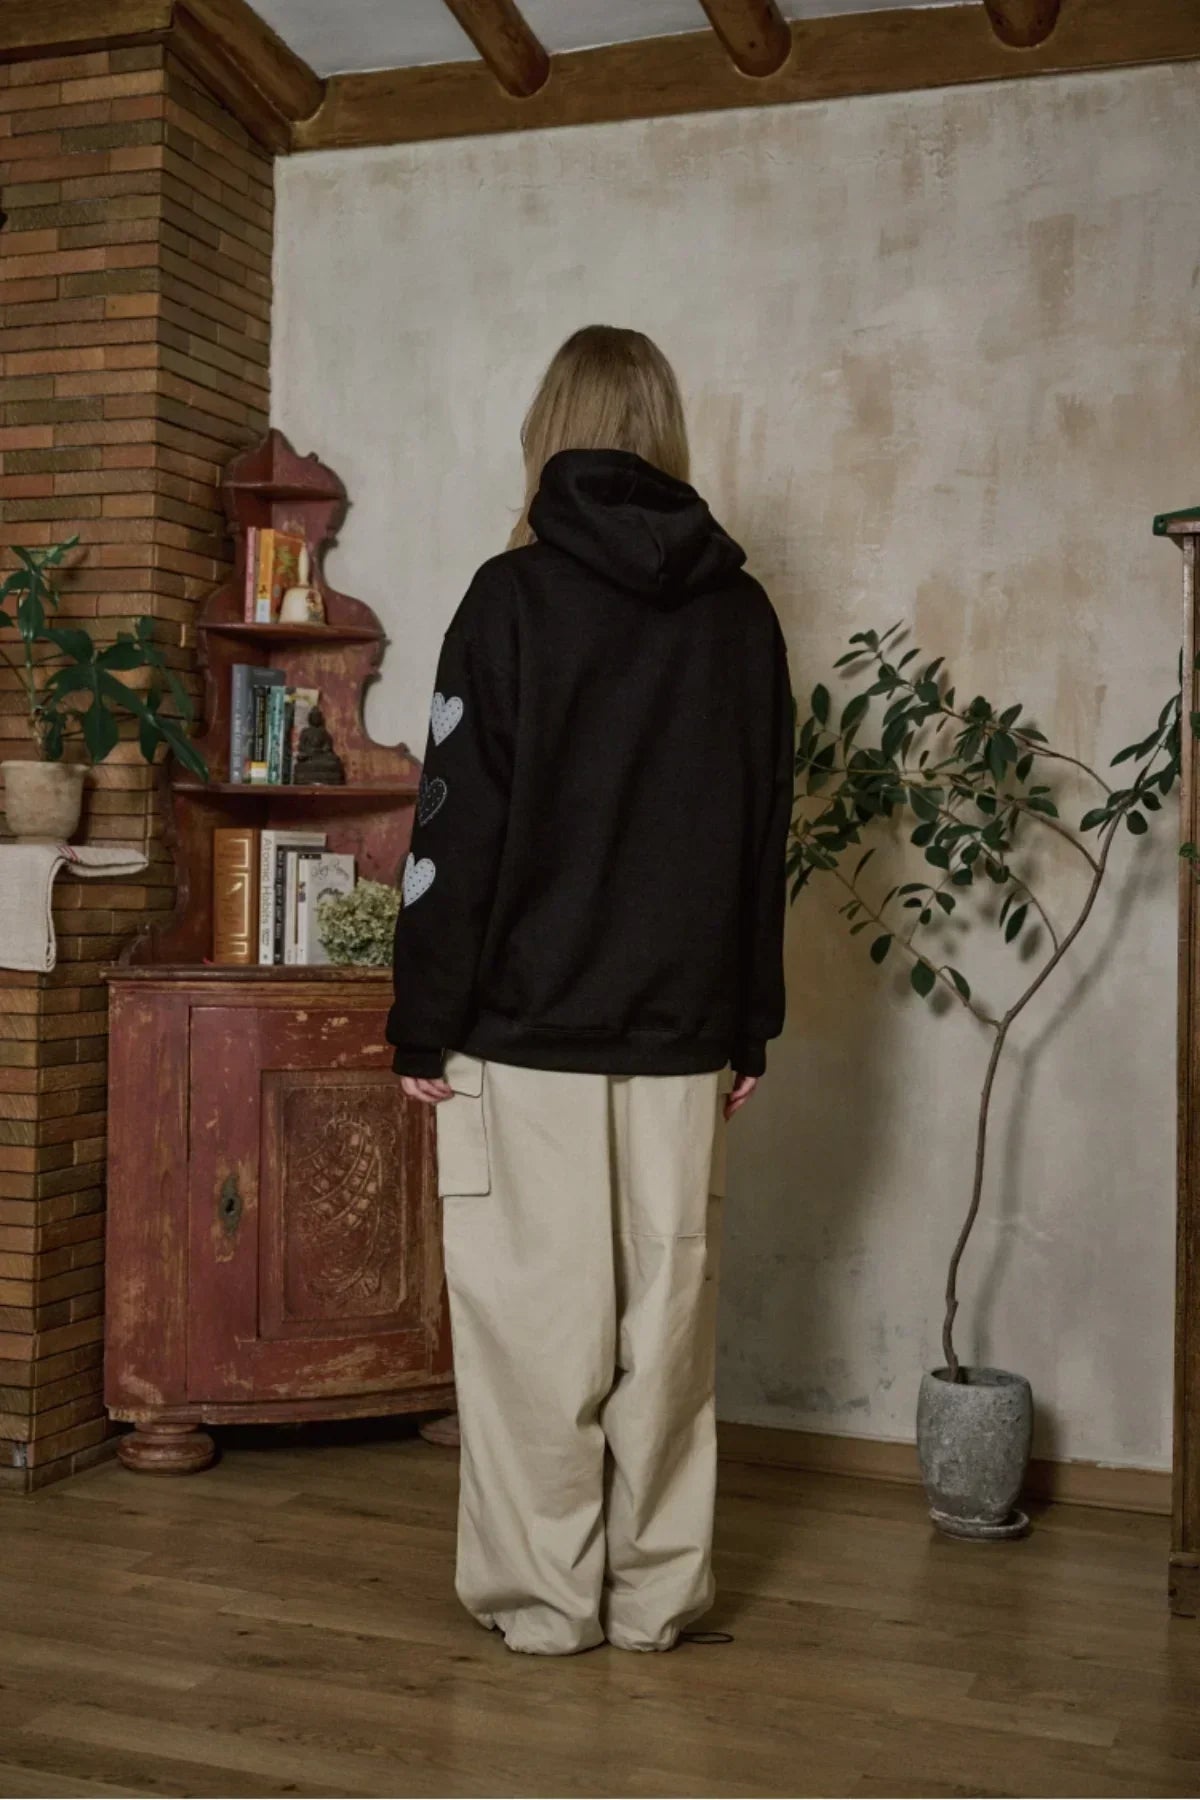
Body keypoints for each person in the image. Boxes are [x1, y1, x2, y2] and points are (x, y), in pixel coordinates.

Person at [388, 324, 793, 1657]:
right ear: (662, 433)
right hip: (684, 1039)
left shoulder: (508, 601)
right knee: (666, 1334)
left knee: (532, 1342)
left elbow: (454, 836)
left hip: (523, 1037)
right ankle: (657, 1598)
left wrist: (423, 1020)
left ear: (549, 426)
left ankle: (545, 1607)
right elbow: (759, 835)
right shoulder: (744, 614)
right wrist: (750, 1023)